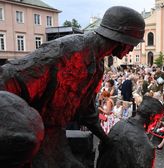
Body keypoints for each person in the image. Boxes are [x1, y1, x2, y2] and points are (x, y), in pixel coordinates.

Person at [0, 6, 145, 167]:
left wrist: (107, 140)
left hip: (55, 137)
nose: (132, 48)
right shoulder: (65, 50)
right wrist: (21, 127)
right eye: (132, 43)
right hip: (33, 140)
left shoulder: (98, 66)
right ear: (120, 38)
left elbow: (88, 111)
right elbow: (8, 76)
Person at [97, 96, 164, 168]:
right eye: (158, 119)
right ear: (152, 117)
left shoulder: (119, 125)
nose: (157, 123)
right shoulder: (146, 146)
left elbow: (102, 149)